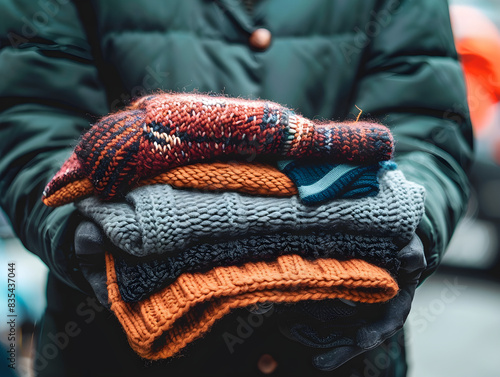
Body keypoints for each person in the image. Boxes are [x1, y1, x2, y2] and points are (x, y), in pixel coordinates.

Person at [0, 0, 473, 376]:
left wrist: (412, 230)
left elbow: (428, 121)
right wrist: (73, 229)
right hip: (113, 350)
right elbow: (29, 112)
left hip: (343, 354)